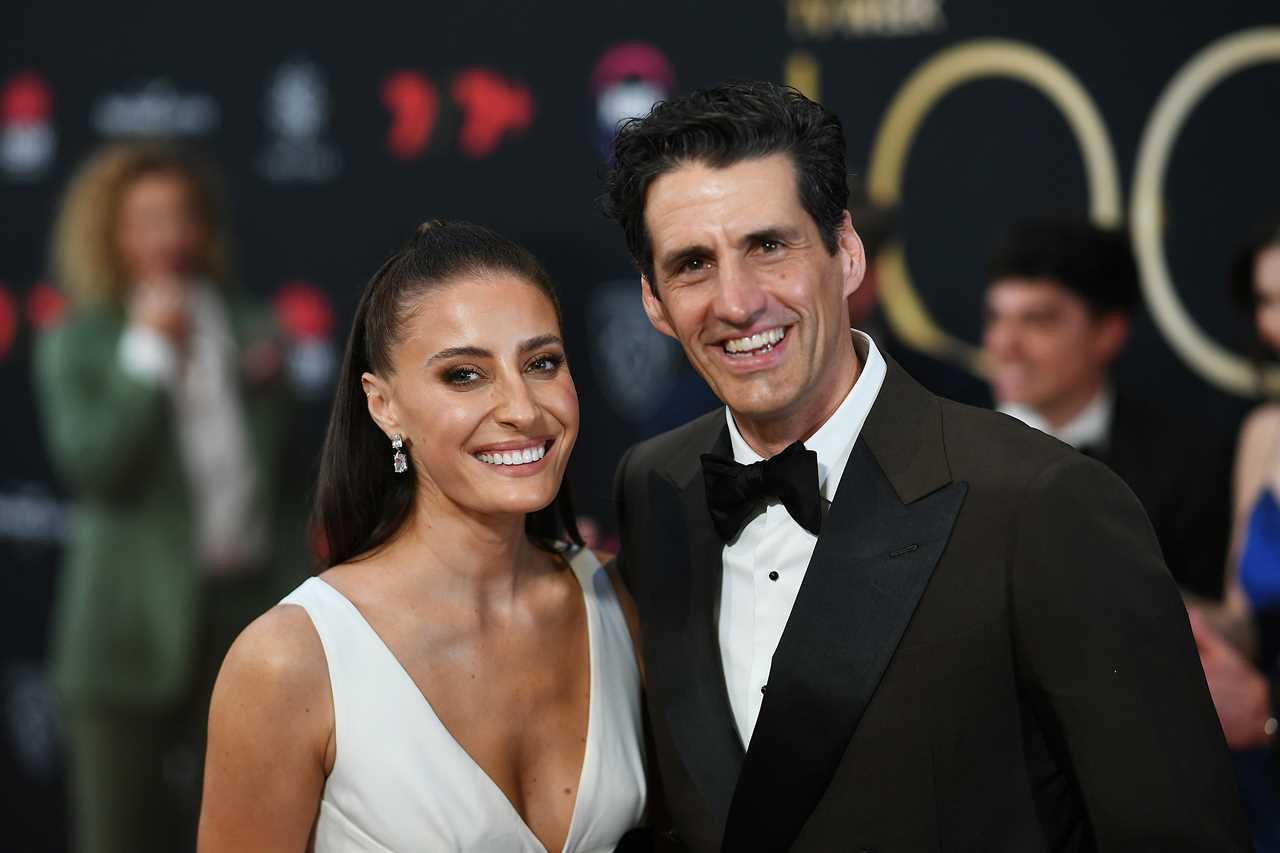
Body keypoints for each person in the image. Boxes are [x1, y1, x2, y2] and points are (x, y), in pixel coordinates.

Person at [603, 81, 1248, 852]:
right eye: (693, 264)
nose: (737, 301)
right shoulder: (654, 487)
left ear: (846, 252)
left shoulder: (1042, 501)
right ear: (652, 300)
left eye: (768, 245)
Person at [197, 221, 647, 852]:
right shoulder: (288, 662)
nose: (522, 407)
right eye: (465, 375)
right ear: (385, 406)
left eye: (542, 363)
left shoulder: (617, 604)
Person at [32, 142, 307, 853]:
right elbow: (96, 466)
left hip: (246, 622)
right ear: (109, 235)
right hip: (123, 636)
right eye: (145, 220)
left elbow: (295, 479)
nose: (167, 237)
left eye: (181, 217)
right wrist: (147, 357)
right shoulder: (80, 341)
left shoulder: (252, 326)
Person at [983, 218, 1234, 600]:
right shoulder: (943, 449)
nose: (1003, 344)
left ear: (1109, 334)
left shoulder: (1188, 463)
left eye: (1037, 321)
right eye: (996, 318)